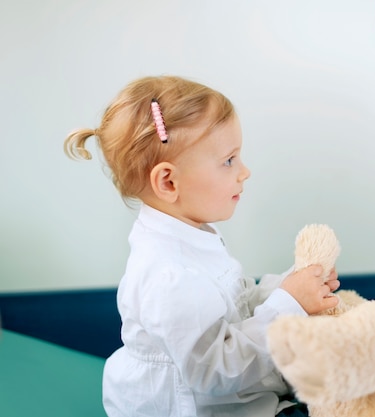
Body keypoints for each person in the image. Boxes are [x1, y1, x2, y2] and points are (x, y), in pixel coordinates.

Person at [63, 75, 341, 417]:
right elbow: (214, 370)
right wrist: (289, 303)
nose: (245, 171)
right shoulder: (169, 274)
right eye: (229, 160)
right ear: (168, 181)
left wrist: (290, 287)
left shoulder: (191, 234)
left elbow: (233, 307)